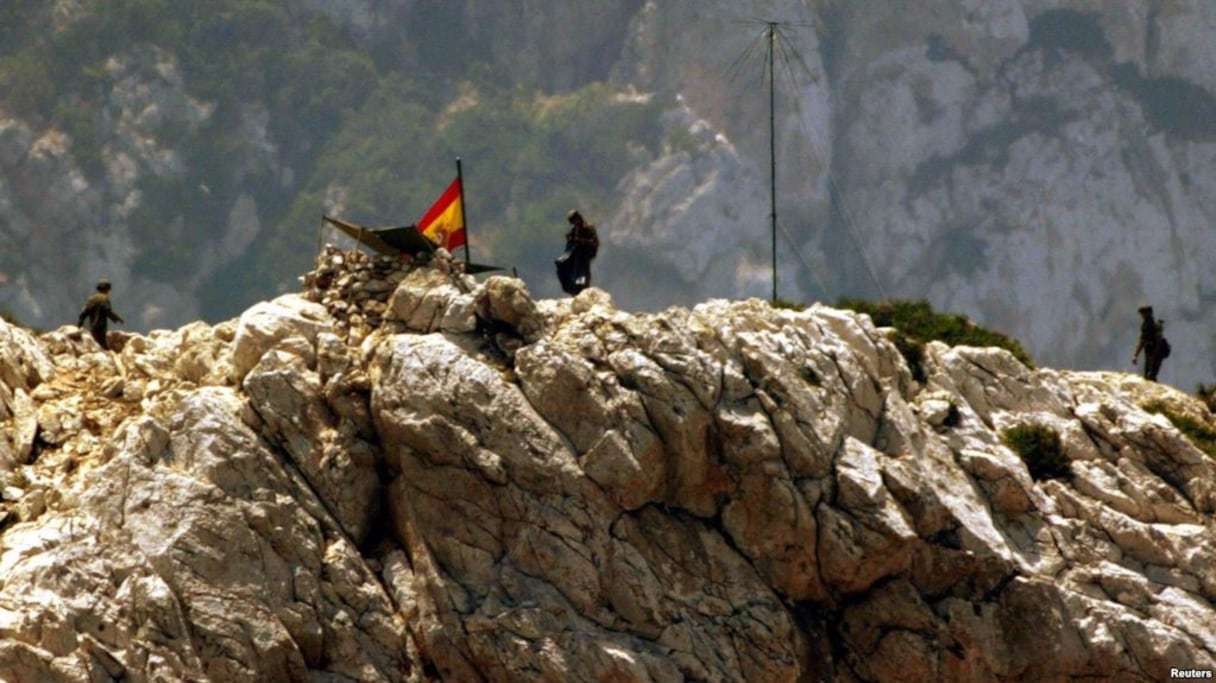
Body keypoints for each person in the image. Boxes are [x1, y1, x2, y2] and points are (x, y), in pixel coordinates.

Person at [555, 209, 599, 295]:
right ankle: (574, 289)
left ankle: (583, 288)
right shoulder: (574, 229)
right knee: (564, 265)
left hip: (585, 254)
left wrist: (583, 241)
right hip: (576, 255)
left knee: (583, 273)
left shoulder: (588, 228)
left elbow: (595, 243)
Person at [77, 278, 125, 350]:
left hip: (92, 327)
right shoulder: (105, 299)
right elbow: (108, 312)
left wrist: (79, 324)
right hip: (101, 327)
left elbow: (84, 312)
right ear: (107, 289)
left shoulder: (91, 299)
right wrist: (118, 319)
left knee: (94, 344)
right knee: (103, 346)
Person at [1131, 305, 1166, 381]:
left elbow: (1144, 341)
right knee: (1150, 374)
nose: (1142, 316)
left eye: (1143, 313)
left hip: (1155, 351)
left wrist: (1136, 355)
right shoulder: (1149, 325)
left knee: (1150, 374)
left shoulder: (1150, 325)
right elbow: (1143, 340)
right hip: (1153, 350)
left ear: (1148, 313)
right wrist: (1136, 355)